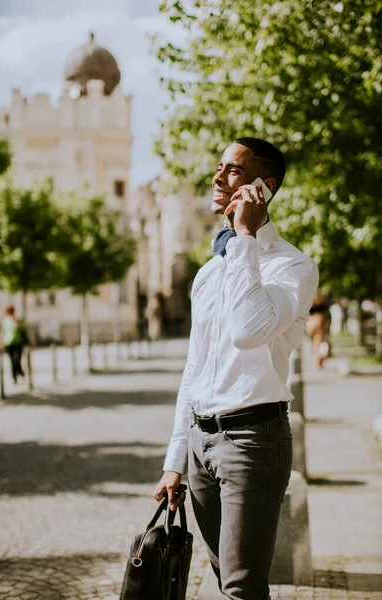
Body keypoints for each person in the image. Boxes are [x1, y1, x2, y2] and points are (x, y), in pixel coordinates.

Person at [153, 137, 319, 600]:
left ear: (263, 189)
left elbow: (250, 330)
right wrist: (175, 462)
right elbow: (195, 369)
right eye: (219, 167)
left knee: (243, 587)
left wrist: (245, 238)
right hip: (201, 442)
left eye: (232, 170)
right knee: (222, 576)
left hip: (253, 441)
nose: (217, 177)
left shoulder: (293, 266)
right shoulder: (210, 272)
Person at [0, 305, 27, 383]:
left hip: (18, 342)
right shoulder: (5, 320)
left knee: (17, 359)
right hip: (8, 342)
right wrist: (1, 342)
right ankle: (14, 377)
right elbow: (3, 331)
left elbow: (23, 328)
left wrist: (17, 322)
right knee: (12, 361)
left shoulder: (17, 318)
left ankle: (20, 372)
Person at [306, 292, 331, 369]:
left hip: (310, 324)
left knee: (314, 343)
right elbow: (328, 316)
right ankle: (318, 360)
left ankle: (316, 359)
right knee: (319, 342)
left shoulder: (309, 304)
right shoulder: (323, 305)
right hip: (320, 323)